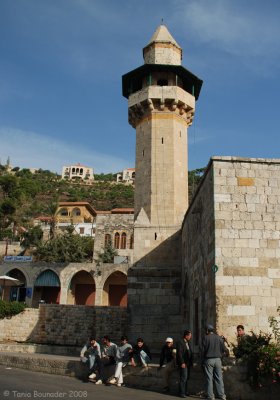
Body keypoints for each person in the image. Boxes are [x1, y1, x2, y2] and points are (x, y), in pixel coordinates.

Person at [201, 324, 227, 400]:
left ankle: (211, 396)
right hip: (218, 360)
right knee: (219, 378)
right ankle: (222, 395)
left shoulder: (205, 338)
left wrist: (202, 360)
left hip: (209, 359)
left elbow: (202, 350)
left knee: (209, 378)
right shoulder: (219, 338)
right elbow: (223, 349)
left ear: (207, 330)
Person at [176, 330, 193, 398]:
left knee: (187, 378)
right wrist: (182, 362)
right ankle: (181, 392)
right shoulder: (180, 342)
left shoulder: (187, 342)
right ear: (186, 336)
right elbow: (179, 353)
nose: (190, 337)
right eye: (189, 336)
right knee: (183, 378)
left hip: (188, 363)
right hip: (184, 363)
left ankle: (185, 391)